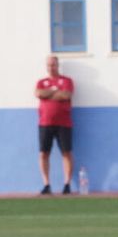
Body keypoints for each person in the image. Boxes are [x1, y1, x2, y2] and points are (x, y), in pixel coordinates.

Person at [35, 55, 75, 195]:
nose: (51, 67)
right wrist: (55, 92)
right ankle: (46, 184)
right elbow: (38, 93)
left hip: (64, 123)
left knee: (66, 153)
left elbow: (66, 95)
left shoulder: (67, 81)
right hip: (45, 123)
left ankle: (67, 184)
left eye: (53, 65)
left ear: (58, 65)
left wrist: (48, 95)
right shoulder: (41, 82)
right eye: (49, 65)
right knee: (43, 153)